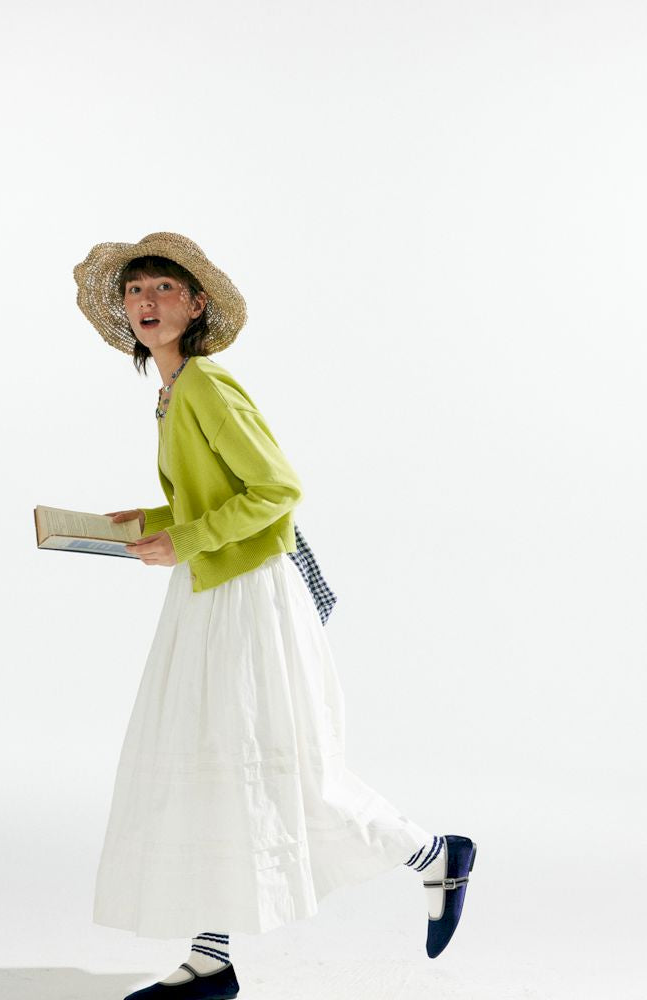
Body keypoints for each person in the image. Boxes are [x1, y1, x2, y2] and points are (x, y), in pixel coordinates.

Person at [72, 232, 477, 1000]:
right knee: (211, 762)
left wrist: (184, 538)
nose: (146, 301)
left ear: (197, 305)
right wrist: (155, 519)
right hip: (213, 590)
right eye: (134, 291)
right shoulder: (172, 391)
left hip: (247, 593)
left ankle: (434, 854)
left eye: (163, 288)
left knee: (275, 764)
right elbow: (224, 495)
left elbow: (277, 489)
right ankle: (211, 960)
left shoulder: (204, 384)